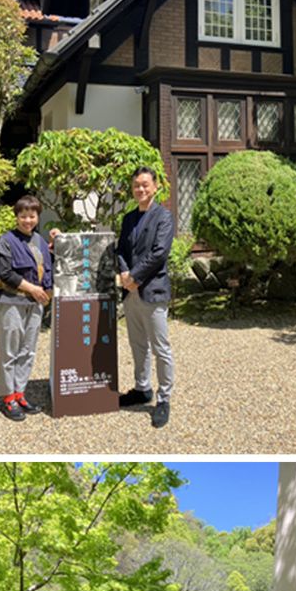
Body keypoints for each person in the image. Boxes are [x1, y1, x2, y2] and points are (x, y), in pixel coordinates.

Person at [115, 166, 175, 429]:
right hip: (131, 292)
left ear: (155, 186)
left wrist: (135, 276)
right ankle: (142, 388)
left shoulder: (164, 217)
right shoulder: (129, 218)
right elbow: (121, 249)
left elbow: (159, 253)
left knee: (161, 348)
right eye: (136, 185)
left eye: (145, 184)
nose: (140, 189)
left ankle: (164, 398)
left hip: (152, 290)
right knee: (138, 344)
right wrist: (124, 273)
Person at [0, 194, 53, 421]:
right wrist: (33, 289)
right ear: (16, 217)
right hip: (11, 302)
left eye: (32, 216)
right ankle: (8, 397)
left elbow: (47, 270)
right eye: (23, 216)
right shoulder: (7, 241)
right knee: (10, 351)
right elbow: (5, 273)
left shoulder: (40, 241)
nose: (28, 220)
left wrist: (46, 294)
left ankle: (19, 393)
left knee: (28, 350)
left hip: (35, 304)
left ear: (37, 217)